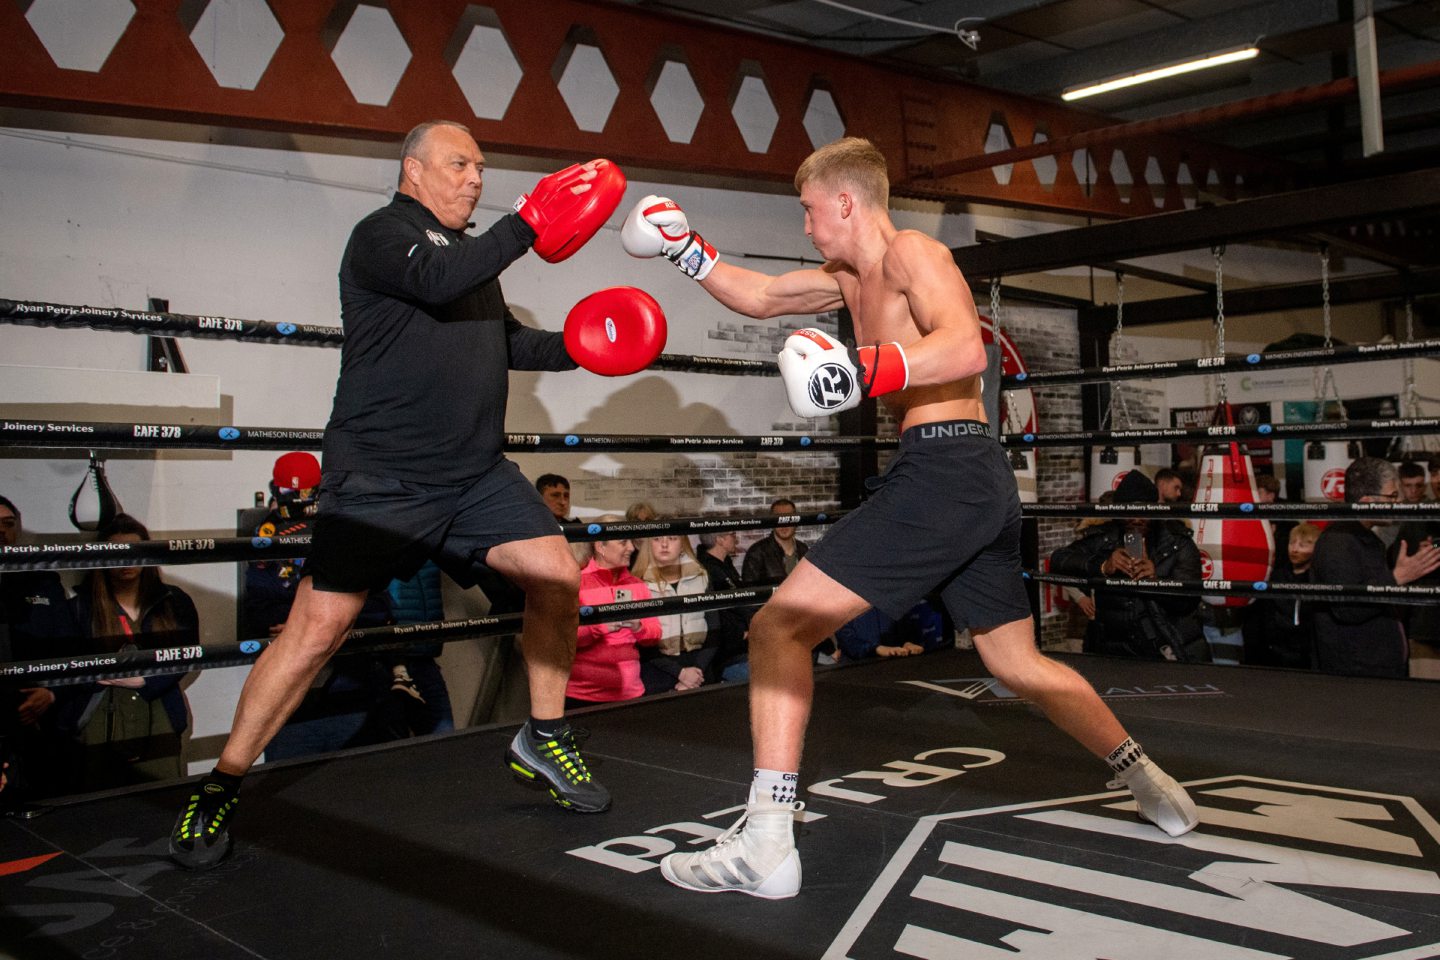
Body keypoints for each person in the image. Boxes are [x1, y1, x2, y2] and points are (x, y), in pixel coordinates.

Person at [620, 137, 1198, 899]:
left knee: (777, 627)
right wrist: (683, 249)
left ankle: (766, 842)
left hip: (945, 471)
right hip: (971, 478)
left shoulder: (913, 254)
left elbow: (964, 348)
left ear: (846, 202)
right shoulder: (846, 278)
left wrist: (866, 367)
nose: (805, 227)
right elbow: (758, 295)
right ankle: (1149, 779)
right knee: (1015, 664)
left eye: (808, 210)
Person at [170, 120, 641, 870]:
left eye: (483, 167)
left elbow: (505, 342)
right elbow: (435, 282)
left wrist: (585, 347)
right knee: (314, 632)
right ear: (413, 169)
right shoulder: (382, 237)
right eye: (460, 164)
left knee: (556, 575)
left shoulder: (474, 258)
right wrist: (528, 222)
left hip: (474, 475)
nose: (476, 178)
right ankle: (221, 782)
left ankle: (544, 737)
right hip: (382, 475)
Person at [241, 453, 396, 761]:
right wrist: (307, 623)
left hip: (349, 690)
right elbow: (256, 611)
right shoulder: (265, 536)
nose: (298, 503)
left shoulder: (349, 531)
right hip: (288, 699)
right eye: (289, 494)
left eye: (305, 494)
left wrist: (322, 624)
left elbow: (379, 609)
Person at [52, 514, 197, 793]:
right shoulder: (81, 607)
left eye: (133, 551)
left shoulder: (174, 600)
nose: (126, 561)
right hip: (98, 714)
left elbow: (189, 655)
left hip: (159, 712)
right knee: (100, 805)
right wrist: (101, 675)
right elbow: (66, 666)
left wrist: (146, 680)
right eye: (116, 552)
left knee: (164, 799)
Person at [1050, 471, 1207, 662]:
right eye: (1129, 512)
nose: (1137, 519)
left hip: (1166, 648)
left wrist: (1157, 582)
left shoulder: (1178, 543)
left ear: (1154, 510)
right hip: (1113, 652)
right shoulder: (1106, 539)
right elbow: (1059, 560)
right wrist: (1103, 566)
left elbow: (1189, 601)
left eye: (1144, 511)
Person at [1311, 457, 1440, 678]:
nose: (1397, 503)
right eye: (1391, 496)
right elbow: (1347, 607)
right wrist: (1397, 578)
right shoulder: (1338, 542)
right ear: (1367, 501)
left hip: (1375, 670)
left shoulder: (1365, 539)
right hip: (1359, 675)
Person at [0, 495, 69, 806]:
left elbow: (71, 647)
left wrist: (51, 692)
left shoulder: (43, 582)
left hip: (42, 727)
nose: (2, 531)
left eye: (8, 523)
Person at [567, 520, 661, 707]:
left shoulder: (637, 585)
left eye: (631, 542)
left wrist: (639, 627)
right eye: (623, 542)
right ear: (601, 546)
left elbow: (655, 634)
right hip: (582, 697)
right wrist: (598, 627)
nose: (632, 548)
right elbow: (563, 640)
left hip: (631, 694)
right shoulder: (577, 583)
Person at [634, 531, 712, 694]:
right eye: (656, 539)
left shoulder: (701, 577)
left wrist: (695, 673)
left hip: (701, 667)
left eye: (672, 538)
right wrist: (680, 674)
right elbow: (639, 640)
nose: (664, 544)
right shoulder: (637, 584)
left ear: (682, 544)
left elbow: (715, 627)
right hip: (657, 669)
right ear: (649, 545)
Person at [1241, 522, 1319, 668]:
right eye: (1292, 543)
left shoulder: (1317, 580)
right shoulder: (1275, 576)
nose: (1294, 549)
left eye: (1303, 545)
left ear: (1316, 549)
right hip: (1273, 653)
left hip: (1304, 655)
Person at [695, 530, 751, 682]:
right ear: (719, 539)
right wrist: (742, 633)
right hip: (728, 653)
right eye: (732, 534)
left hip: (743, 645)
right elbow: (717, 614)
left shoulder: (724, 564)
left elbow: (741, 602)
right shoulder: (707, 569)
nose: (736, 538)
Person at [740, 499, 808, 586]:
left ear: (796, 521)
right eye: (778, 519)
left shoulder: (804, 550)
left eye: (788, 518)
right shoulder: (756, 553)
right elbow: (749, 592)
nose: (784, 524)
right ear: (772, 522)